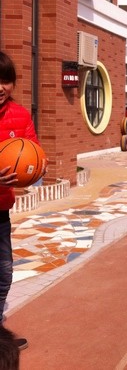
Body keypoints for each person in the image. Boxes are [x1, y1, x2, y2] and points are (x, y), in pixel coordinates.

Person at [0, 51, 38, 351]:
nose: (0, 87)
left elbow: (33, 150)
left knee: (4, 273)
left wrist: (35, 167)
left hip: (1, 209)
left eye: (5, 80)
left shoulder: (21, 115)